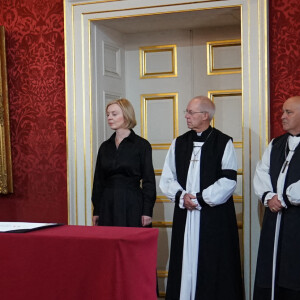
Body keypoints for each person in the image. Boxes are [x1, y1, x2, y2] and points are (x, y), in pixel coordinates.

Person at [159, 96, 243, 300]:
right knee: (183, 260)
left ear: (205, 116)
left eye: (190, 112)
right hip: (185, 214)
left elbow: (228, 181)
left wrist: (198, 199)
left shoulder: (223, 142)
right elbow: (167, 177)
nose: (186, 116)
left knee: (212, 261)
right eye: (186, 112)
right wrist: (181, 197)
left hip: (213, 216)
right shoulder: (179, 143)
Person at [253, 96, 300, 300]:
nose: (282, 116)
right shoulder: (276, 144)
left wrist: (285, 199)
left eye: (288, 112)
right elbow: (261, 172)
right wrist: (269, 196)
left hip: (295, 218)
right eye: (283, 111)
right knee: (271, 271)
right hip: (274, 217)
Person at [91, 98, 156, 227]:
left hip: (132, 203)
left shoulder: (142, 145)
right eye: (108, 114)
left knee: (131, 245)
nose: (109, 118)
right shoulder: (104, 147)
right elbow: (98, 181)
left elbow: (149, 181)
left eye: (114, 114)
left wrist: (147, 211)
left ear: (126, 115)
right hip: (107, 204)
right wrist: (97, 210)